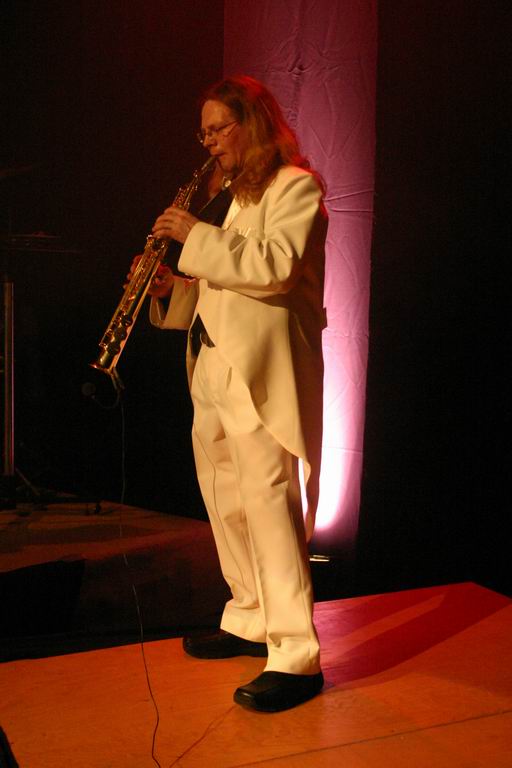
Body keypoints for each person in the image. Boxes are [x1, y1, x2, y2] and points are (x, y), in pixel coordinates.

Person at [142, 75, 327, 712]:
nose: (210, 142)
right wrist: (175, 291)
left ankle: (296, 655)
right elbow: (224, 285)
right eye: (205, 132)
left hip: (260, 372)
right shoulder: (232, 199)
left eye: (219, 128)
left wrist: (194, 234)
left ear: (253, 123)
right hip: (214, 366)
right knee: (226, 501)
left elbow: (273, 268)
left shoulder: (295, 187)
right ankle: (250, 616)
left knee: (269, 503)